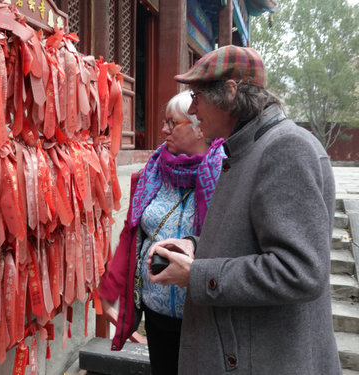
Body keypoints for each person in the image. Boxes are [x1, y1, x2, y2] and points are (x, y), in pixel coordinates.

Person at [147, 45, 342, 375]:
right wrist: (194, 245)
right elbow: (246, 235)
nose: (193, 109)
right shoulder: (244, 149)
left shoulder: (285, 147)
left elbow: (300, 271)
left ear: (230, 92)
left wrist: (197, 275)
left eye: (197, 96)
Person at [100, 90, 226, 375]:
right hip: (156, 314)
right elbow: (131, 235)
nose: (163, 129)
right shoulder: (153, 172)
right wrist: (111, 289)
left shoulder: (225, 173)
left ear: (199, 127)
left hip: (203, 315)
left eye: (172, 123)